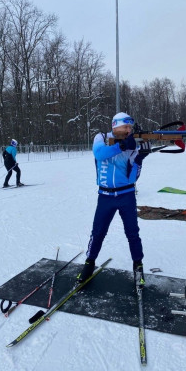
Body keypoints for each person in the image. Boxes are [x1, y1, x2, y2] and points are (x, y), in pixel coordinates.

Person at [77, 112, 151, 288]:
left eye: (130, 127)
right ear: (115, 126)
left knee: (133, 233)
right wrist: (121, 146)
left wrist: (139, 157)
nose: (128, 130)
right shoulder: (101, 138)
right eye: (125, 127)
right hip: (105, 196)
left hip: (126, 195)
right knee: (98, 232)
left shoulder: (133, 145)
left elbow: (132, 176)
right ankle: (89, 264)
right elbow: (100, 154)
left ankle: (138, 266)